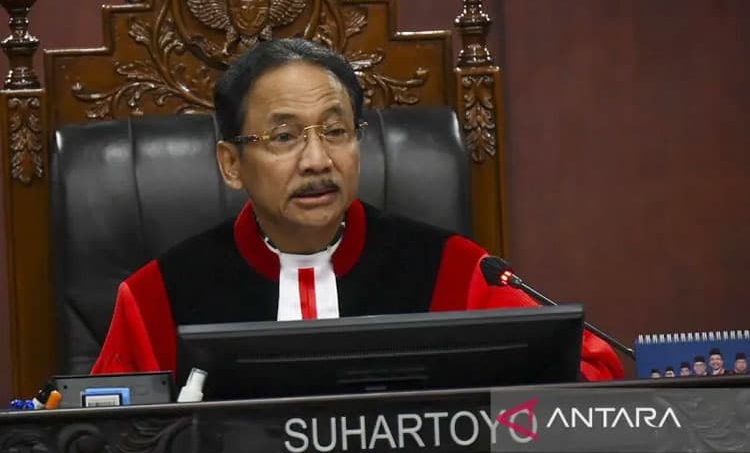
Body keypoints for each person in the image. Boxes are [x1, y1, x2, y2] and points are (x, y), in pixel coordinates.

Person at [91, 38, 623, 382]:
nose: (317, 160)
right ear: (231, 164)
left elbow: (592, 371)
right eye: (284, 137)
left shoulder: (454, 271)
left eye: (336, 131)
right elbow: (101, 429)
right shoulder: (157, 296)